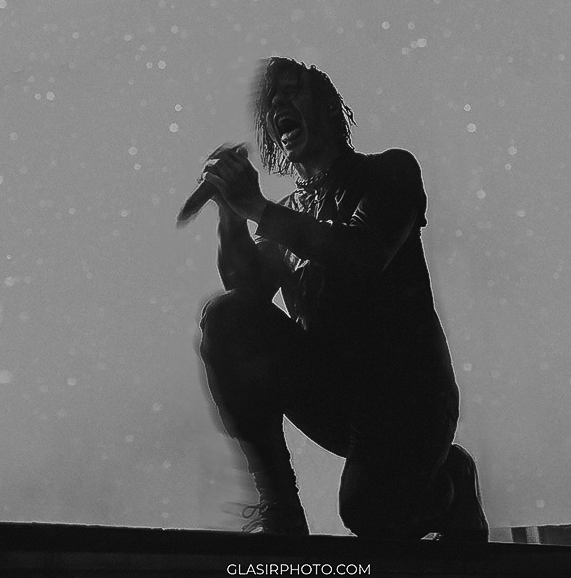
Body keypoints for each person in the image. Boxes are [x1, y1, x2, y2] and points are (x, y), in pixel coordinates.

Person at [194, 57, 487, 541]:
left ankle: (450, 484)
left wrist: (258, 209)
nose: (278, 102)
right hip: (336, 395)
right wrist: (231, 213)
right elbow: (245, 299)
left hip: (410, 402)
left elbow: (362, 256)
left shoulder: (391, 171)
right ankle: (280, 508)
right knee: (225, 318)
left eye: (291, 90)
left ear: (328, 106)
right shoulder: (284, 214)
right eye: (270, 100)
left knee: (367, 513)